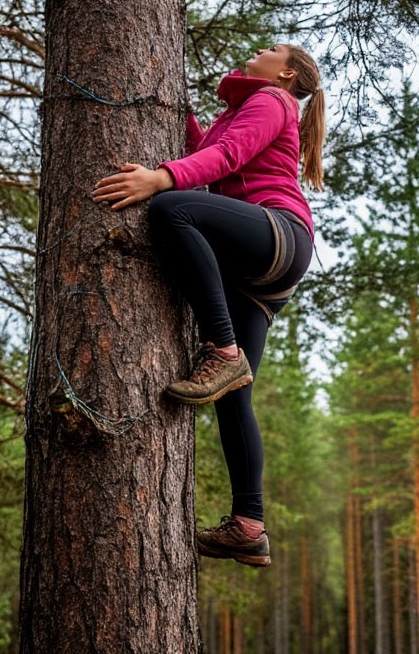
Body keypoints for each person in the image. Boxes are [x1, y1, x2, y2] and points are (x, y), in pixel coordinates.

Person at [91, 44, 324, 568]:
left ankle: (222, 349)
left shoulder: (271, 99)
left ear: (286, 72)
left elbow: (228, 159)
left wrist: (160, 178)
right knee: (233, 397)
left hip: (277, 233)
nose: (258, 50)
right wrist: (177, 113)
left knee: (172, 209)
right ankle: (249, 526)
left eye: (271, 48)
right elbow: (214, 151)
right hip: (263, 270)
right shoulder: (241, 111)